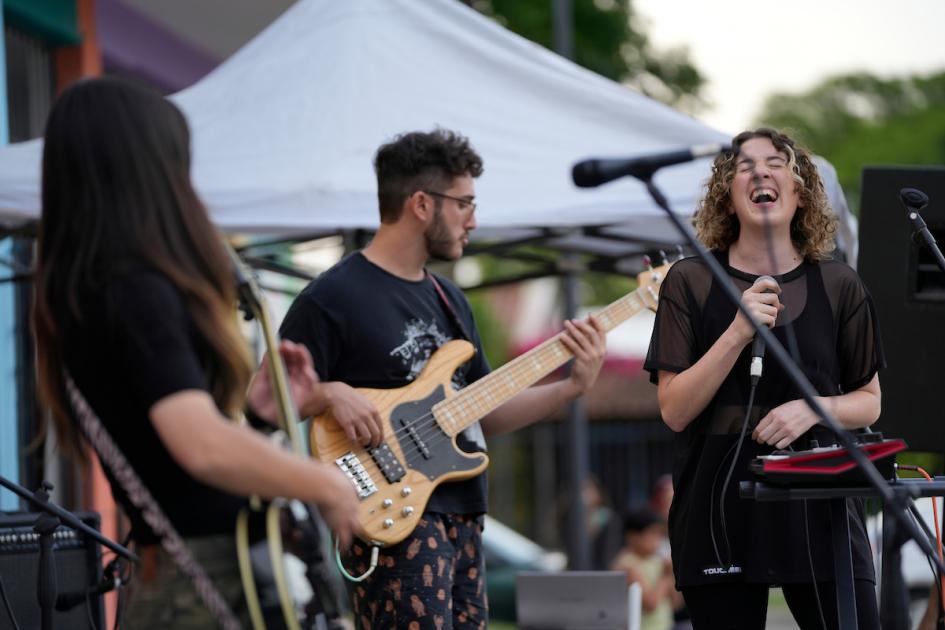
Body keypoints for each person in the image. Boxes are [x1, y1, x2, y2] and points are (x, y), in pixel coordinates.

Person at [32, 77, 359, 628]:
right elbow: (200, 447)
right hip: (196, 590)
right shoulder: (133, 289)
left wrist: (255, 421)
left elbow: (178, 468)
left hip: (179, 582)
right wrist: (324, 482)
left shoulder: (88, 291)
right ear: (146, 169)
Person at [275, 128, 607, 629]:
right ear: (422, 204)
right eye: (464, 204)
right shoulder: (332, 297)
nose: (473, 220)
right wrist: (328, 392)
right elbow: (264, 397)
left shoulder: (451, 302)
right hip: (392, 519)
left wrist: (571, 387)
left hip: (464, 515)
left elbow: (481, 414)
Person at [644, 128, 884, 629]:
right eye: (745, 167)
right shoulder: (689, 282)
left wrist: (813, 408)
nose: (760, 173)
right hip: (719, 505)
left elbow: (869, 401)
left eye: (776, 163)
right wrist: (736, 332)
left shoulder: (839, 284)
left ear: (800, 194)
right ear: (728, 200)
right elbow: (674, 410)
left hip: (819, 501)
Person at [611, 508, 677, 630]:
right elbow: (650, 605)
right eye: (652, 534)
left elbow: (676, 604)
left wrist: (673, 575)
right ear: (632, 536)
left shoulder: (656, 561)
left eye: (659, 534)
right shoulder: (627, 564)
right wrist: (665, 576)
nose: (656, 540)